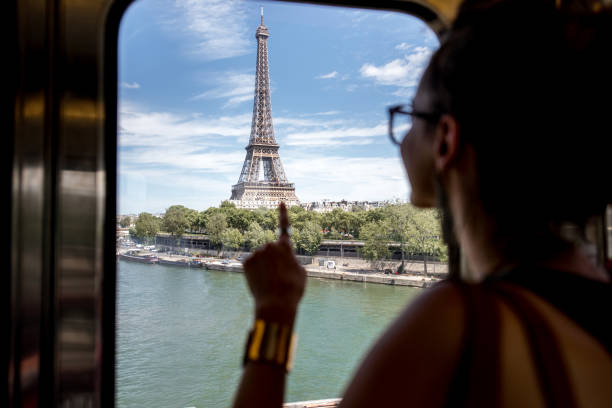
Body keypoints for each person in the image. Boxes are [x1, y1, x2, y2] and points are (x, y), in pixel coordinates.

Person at [232, 1, 612, 407]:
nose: (403, 135)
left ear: (445, 141)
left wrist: (275, 313)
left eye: (411, 115)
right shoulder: (600, 287)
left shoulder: (457, 322)